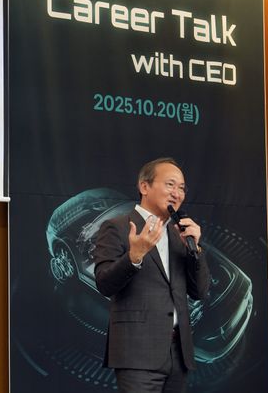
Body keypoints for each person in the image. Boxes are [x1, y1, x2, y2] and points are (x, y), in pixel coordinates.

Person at [92, 157, 210, 393]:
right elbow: (104, 283)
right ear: (144, 187)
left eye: (181, 188)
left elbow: (200, 291)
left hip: (179, 354)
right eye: (170, 184)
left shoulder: (180, 233)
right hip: (137, 353)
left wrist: (195, 250)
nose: (177, 193)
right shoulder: (117, 227)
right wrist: (134, 256)